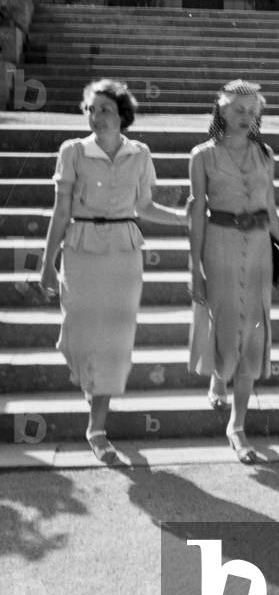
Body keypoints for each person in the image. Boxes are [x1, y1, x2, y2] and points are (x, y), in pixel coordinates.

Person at [39, 79, 188, 465]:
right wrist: (46, 264)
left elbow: (145, 207)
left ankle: (97, 427)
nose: (96, 115)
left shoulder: (140, 153)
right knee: (79, 334)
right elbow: (60, 212)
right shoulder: (72, 151)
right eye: (91, 109)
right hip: (81, 247)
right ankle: (93, 386)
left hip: (123, 250)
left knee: (113, 341)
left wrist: (183, 220)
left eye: (104, 108)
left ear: (122, 114)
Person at [187, 79, 279, 464]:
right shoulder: (202, 156)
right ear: (222, 111)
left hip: (259, 247)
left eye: (251, 111)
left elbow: (272, 205)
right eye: (238, 110)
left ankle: (237, 425)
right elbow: (196, 212)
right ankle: (217, 375)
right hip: (220, 245)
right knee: (226, 324)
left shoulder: (266, 154)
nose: (245, 118)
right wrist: (194, 267)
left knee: (254, 333)